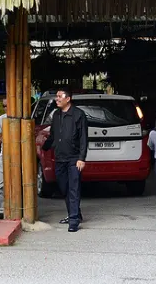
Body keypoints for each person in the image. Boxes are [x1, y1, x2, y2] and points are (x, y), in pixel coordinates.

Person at [42, 87, 88, 232]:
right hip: (60, 158)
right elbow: (53, 136)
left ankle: (73, 220)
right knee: (64, 188)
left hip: (74, 158)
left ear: (68, 99)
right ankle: (75, 213)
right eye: (56, 96)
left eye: (60, 96)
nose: (57, 99)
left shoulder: (78, 115)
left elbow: (84, 138)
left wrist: (82, 158)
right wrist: (43, 147)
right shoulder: (56, 115)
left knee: (74, 188)